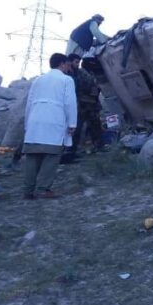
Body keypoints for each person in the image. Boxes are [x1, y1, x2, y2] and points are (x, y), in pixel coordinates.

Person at [22, 53, 77, 199]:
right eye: (67, 65)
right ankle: (43, 188)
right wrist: (72, 123)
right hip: (54, 119)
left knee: (32, 156)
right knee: (52, 155)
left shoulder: (38, 80)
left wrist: (27, 123)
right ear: (62, 64)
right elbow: (70, 103)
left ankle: (28, 190)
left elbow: (29, 103)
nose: (69, 68)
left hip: (35, 120)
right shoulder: (66, 80)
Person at [64, 54, 103, 160]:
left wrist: (93, 95)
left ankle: (98, 146)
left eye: (79, 62)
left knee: (95, 126)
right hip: (77, 106)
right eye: (76, 62)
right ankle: (71, 151)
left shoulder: (82, 73)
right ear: (70, 62)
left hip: (89, 105)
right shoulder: (66, 75)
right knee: (76, 128)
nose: (78, 64)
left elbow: (93, 85)